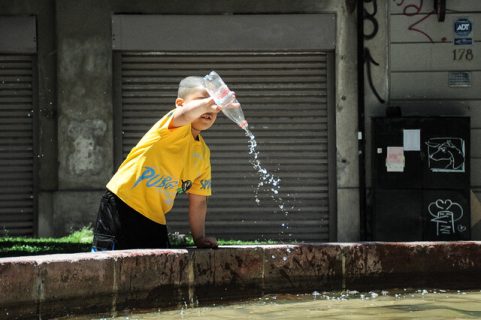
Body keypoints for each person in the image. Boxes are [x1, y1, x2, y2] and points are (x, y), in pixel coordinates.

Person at [92, 76, 231, 250]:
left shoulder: (202, 153)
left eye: (214, 105)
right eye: (201, 101)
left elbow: (199, 201)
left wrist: (199, 237)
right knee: (108, 266)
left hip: (156, 217)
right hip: (122, 205)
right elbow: (185, 115)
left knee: (157, 271)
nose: (210, 107)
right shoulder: (172, 126)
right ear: (180, 104)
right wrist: (213, 100)